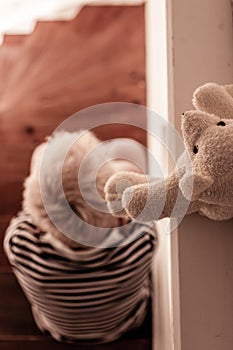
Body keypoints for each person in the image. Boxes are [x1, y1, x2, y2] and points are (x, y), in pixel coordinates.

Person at [4, 130, 158, 344]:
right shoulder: (142, 240)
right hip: (126, 324)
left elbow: (28, 215)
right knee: (127, 154)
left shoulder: (19, 243)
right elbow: (140, 206)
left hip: (57, 330)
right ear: (118, 214)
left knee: (42, 152)